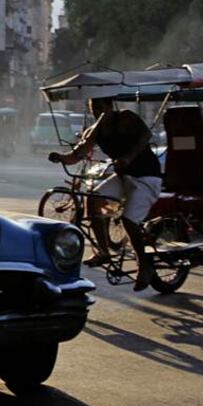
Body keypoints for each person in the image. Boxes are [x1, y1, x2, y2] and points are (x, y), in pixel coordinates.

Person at [48, 98, 162, 291]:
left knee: (128, 220)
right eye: (93, 108)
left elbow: (146, 136)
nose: (97, 112)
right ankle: (103, 251)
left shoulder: (126, 118)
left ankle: (144, 265)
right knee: (93, 198)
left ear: (110, 106)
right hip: (123, 176)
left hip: (146, 176)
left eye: (100, 108)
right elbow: (77, 154)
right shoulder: (95, 131)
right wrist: (61, 157)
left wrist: (129, 157)